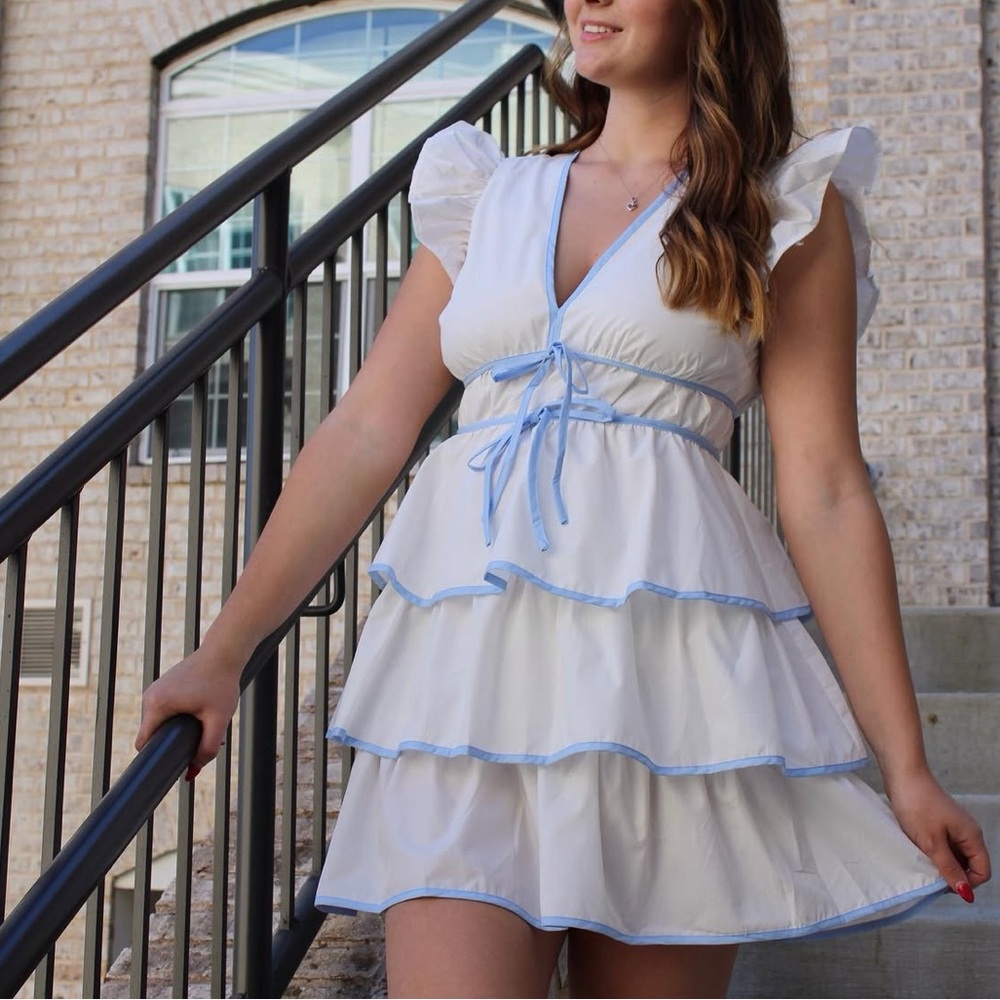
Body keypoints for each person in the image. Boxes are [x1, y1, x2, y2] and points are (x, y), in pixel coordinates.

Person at [137, 0, 992, 995]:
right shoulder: (486, 192)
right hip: (468, 679)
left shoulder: (780, 204)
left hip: (669, 684)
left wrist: (905, 765)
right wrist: (225, 651)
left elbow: (826, 487)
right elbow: (366, 428)